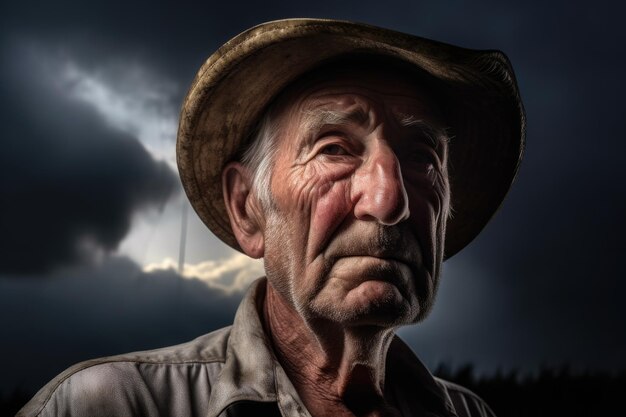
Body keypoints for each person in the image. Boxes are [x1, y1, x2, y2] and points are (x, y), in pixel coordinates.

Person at [18, 19, 525, 417]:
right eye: (334, 149)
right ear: (247, 209)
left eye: (423, 158)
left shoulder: (469, 412)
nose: (388, 201)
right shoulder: (108, 406)